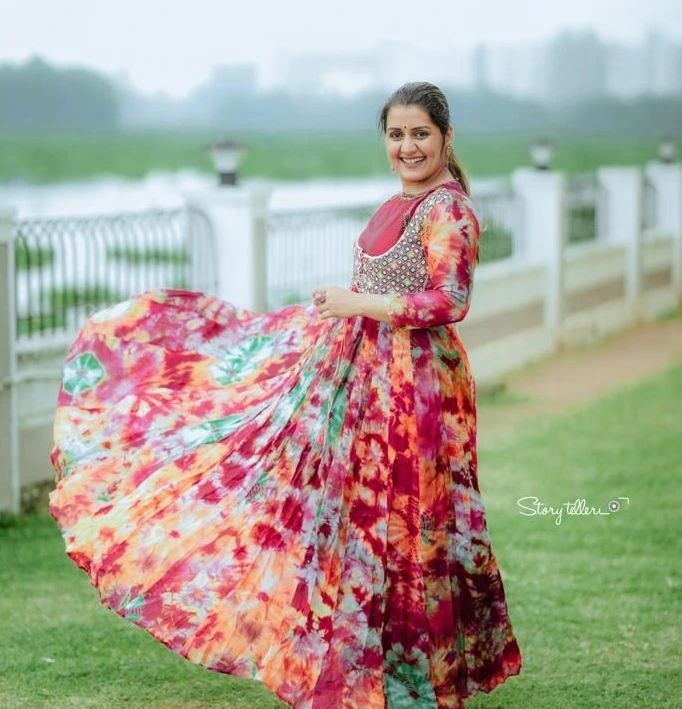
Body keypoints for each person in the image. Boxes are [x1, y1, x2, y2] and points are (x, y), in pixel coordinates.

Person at [49, 81, 522, 709]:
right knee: (350, 521)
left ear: (446, 137)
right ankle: (365, 671)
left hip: (417, 392)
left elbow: (450, 301)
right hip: (359, 382)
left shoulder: (449, 210)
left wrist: (361, 303)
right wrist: (340, 311)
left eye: (420, 134)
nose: (407, 147)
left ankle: (420, 681)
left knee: (413, 525)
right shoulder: (394, 204)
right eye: (396, 134)